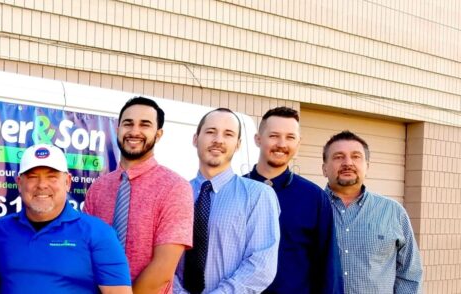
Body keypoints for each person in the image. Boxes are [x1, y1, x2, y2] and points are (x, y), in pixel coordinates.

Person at [84, 97, 192, 293]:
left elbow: (163, 269)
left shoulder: (175, 187)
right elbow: (85, 253)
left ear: (158, 134)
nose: (134, 131)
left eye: (145, 125)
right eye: (128, 123)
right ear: (117, 129)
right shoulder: (98, 188)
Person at [0, 144, 133, 294]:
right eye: (33, 177)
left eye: (52, 177)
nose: (42, 185)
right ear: (20, 183)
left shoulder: (99, 234)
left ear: (67, 182)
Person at [174, 108, 280, 294]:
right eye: (210, 132)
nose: (218, 140)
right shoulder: (174, 194)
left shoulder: (258, 195)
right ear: (195, 139)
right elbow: (162, 258)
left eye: (228, 134)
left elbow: (261, 266)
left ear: (238, 144)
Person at [245, 107, 342, 293]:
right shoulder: (236, 191)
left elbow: (328, 265)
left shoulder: (314, 198)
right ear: (258, 139)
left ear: (298, 143)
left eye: (290, 137)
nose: (282, 144)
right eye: (274, 136)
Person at [322, 130, 422, 293]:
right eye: (338, 156)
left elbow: (410, 274)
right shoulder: (308, 209)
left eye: (356, 156)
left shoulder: (393, 212)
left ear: (367, 167)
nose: (348, 163)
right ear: (324, 168)